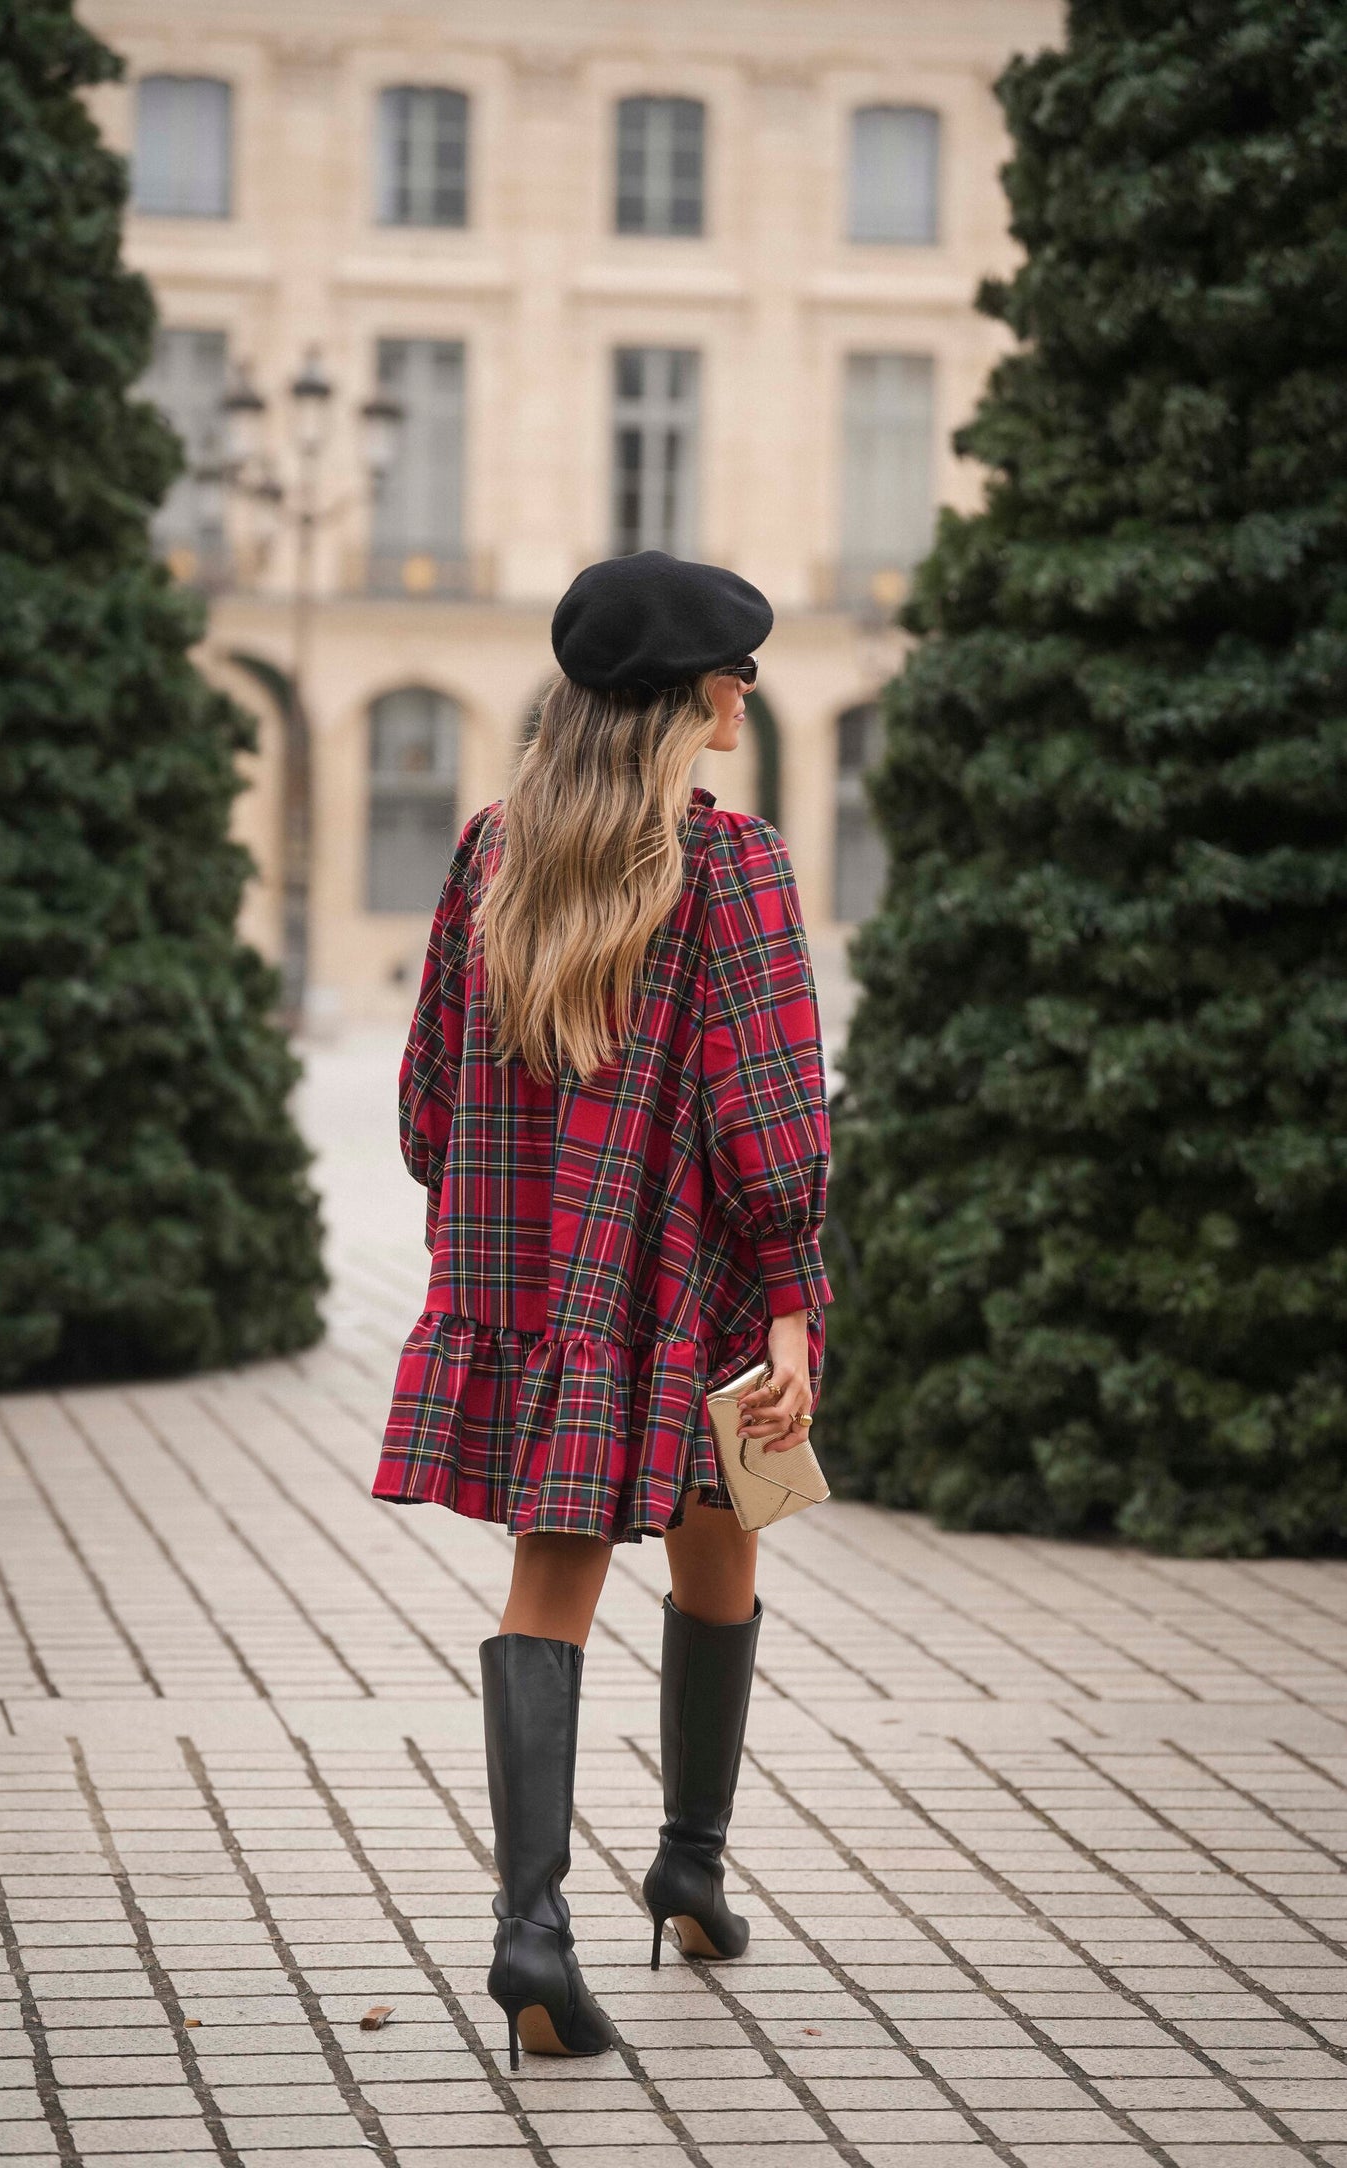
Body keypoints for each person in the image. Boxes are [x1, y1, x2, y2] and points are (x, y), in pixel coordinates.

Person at [372, 549, 832, 2071]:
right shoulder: (736, 863)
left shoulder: (495, 850)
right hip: (687, 1278)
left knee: (549, 1582)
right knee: (728, 1532)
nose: (746, 687)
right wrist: (791, 1306)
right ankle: (687, 1862)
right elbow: (767, 1112)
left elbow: (429, 1097)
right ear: (679, 700)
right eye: (731, 666)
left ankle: (537, 1930)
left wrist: (503, 1224)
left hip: (545, 1283)